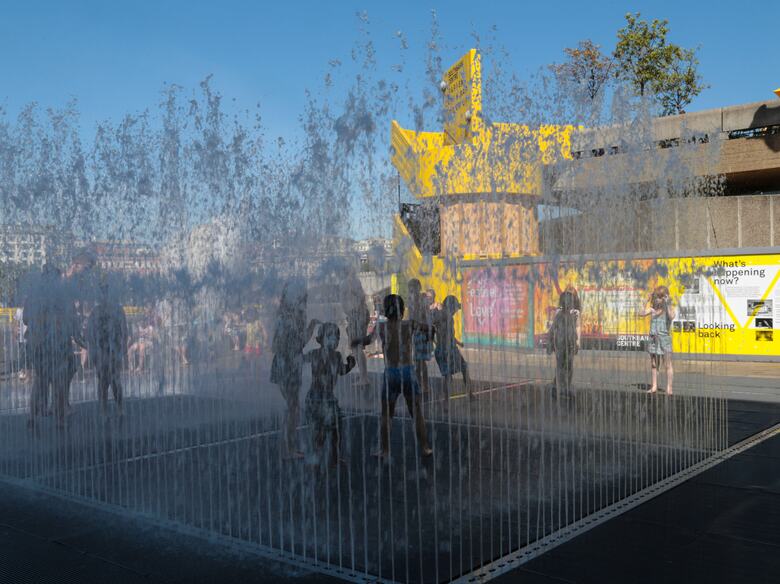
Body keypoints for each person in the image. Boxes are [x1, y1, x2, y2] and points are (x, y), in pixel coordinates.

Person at [356, 294, 432, 459]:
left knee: (386, 415)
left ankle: (384, 450)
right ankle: (425, 447)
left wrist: (357, 341)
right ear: (402, 310)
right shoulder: (409, 325)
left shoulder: (381, 327)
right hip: (407, 372)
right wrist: (429, 335)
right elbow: (429, 328)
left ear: (385, 310)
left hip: (391, 373)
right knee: (417, 413)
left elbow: (368, 340)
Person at [270, 278, 319, 458]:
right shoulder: (284, 318)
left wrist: (311, 326)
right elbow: (276, 346)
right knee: (293, 407)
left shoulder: (298, 316)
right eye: (301, 296)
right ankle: (288, 448)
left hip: (292, 366)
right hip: (286, 367)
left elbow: (300, 344)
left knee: (293, 407)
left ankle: (289, 446)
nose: (304, 300)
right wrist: (292, 351)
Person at [304, 322, 355, 466]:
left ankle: (327, 456)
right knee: (325, 429)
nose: (334, 339)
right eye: (330, 336)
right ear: (320, 339)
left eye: (336, 337)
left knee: (332, 429)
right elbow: (301, 360)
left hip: (324, 398)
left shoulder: (336, 356)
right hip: (318, 398)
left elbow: (342, 371)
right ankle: (321, 456)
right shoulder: (317, 354)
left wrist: (350, 364)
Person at [86, 281, 128, 417]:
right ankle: (105, 410)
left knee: (114, 380)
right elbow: (90, 333)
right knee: (104, 381)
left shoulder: (117, 310)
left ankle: (119, 408)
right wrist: (93, 350)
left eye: (106, 293)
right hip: (101, 351)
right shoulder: (96, 312)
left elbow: (124, 331)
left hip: (114, 350)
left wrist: (123, 348)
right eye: (103, 294)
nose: (104, 296)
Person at [433, 295, 473, 408]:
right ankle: (467, 395)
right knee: (459, 371)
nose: (456, 311)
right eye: (455, 308)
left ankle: (448, 401)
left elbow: (447, 334)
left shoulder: (446, 315)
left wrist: (458, 342)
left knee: (449, 376)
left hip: (446, 349)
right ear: (451, 306)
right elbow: (437, 327)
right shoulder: (445, 315)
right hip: (447, 350)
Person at [642, 285, 675, 395]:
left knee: (667, 364)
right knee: (654, 364)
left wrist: (669, 303)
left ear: (665, 297)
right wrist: (645, 301)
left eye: (661, 297)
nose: (658, 299)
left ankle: (669, 388)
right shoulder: (652, 310)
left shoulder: (667, 309)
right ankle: (654, 386)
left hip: (664, 340)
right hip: (653, 339)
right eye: (657, 297)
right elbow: (641, 313)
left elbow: (672, 316)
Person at [547, 290, 581, 397]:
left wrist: (577, 343)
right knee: (561, 365)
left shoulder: (573, 315)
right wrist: (550, 343)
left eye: (569, 301)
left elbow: (576, 330)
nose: (568, 303)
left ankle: (565, 386)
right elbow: (552, 330)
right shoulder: (559, 315)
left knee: (568, 366)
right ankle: (560, 386)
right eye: (567, 301)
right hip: (561, 344)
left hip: (569, 344)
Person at [341, 276, 370, 387]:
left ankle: (364, 377)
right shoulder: (353, 282)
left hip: (357, 316)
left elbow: (357, 301)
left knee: (357, 347)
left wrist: (353, 314)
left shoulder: (349, 283)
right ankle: (363, 375)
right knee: (356, 348)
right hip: (357, 316)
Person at [407, 279, 434, 399]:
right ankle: (419, 385)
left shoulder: (423, 299)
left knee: (420, 362)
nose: (412, 290)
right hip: (416, 333)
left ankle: (425, 386)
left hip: (422, 332)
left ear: (418, 287)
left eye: (414, 287)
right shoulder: (411, 299)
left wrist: (429, 332)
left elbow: (426, 316)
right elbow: (411, 316)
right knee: (417, 362)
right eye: (410, 288)